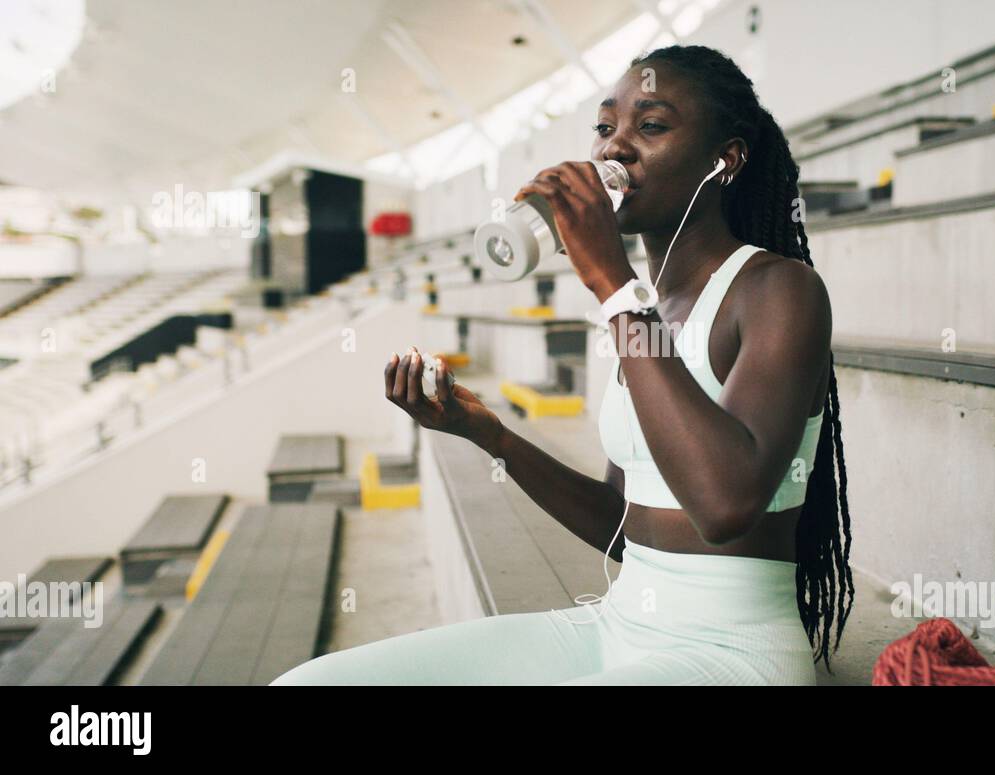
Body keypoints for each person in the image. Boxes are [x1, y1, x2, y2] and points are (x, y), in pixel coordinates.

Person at [269, 44, 854, 686]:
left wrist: (612, 287)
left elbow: (724, 505)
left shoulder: (778, 290)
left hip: (730, 655)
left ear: (726, 160)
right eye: (606, 128)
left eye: (650, 126)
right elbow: (620, 521)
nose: (614, 149)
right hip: (618, 627)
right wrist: (488, 433)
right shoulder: (642, 310)